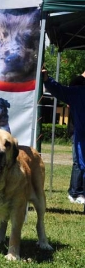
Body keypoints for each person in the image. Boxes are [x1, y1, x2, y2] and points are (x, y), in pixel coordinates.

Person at [42, 69, 85, 204]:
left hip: (81, 136)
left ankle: (77, 192)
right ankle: (76, 192)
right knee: (80, 164)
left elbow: (58, 89)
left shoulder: (76, 92)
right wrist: (47, 80)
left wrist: (47, 80)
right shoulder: (78, 92)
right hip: (81, 136)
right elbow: (59, 89)